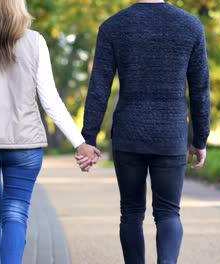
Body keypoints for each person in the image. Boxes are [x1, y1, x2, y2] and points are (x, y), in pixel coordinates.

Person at [0, 0, 100, 263]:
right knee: (15, 214)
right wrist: (79, 142)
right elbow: (50, 99)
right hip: (25, 146)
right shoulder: (35, 41)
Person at [76, 0, 211, 263]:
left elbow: (99, 88)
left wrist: (88, 138)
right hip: (171, 134)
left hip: (129, 134)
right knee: (169, 212)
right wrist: (200, 138)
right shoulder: (191, 26)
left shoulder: (113, 26)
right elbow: (200, 91)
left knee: (131, 212)